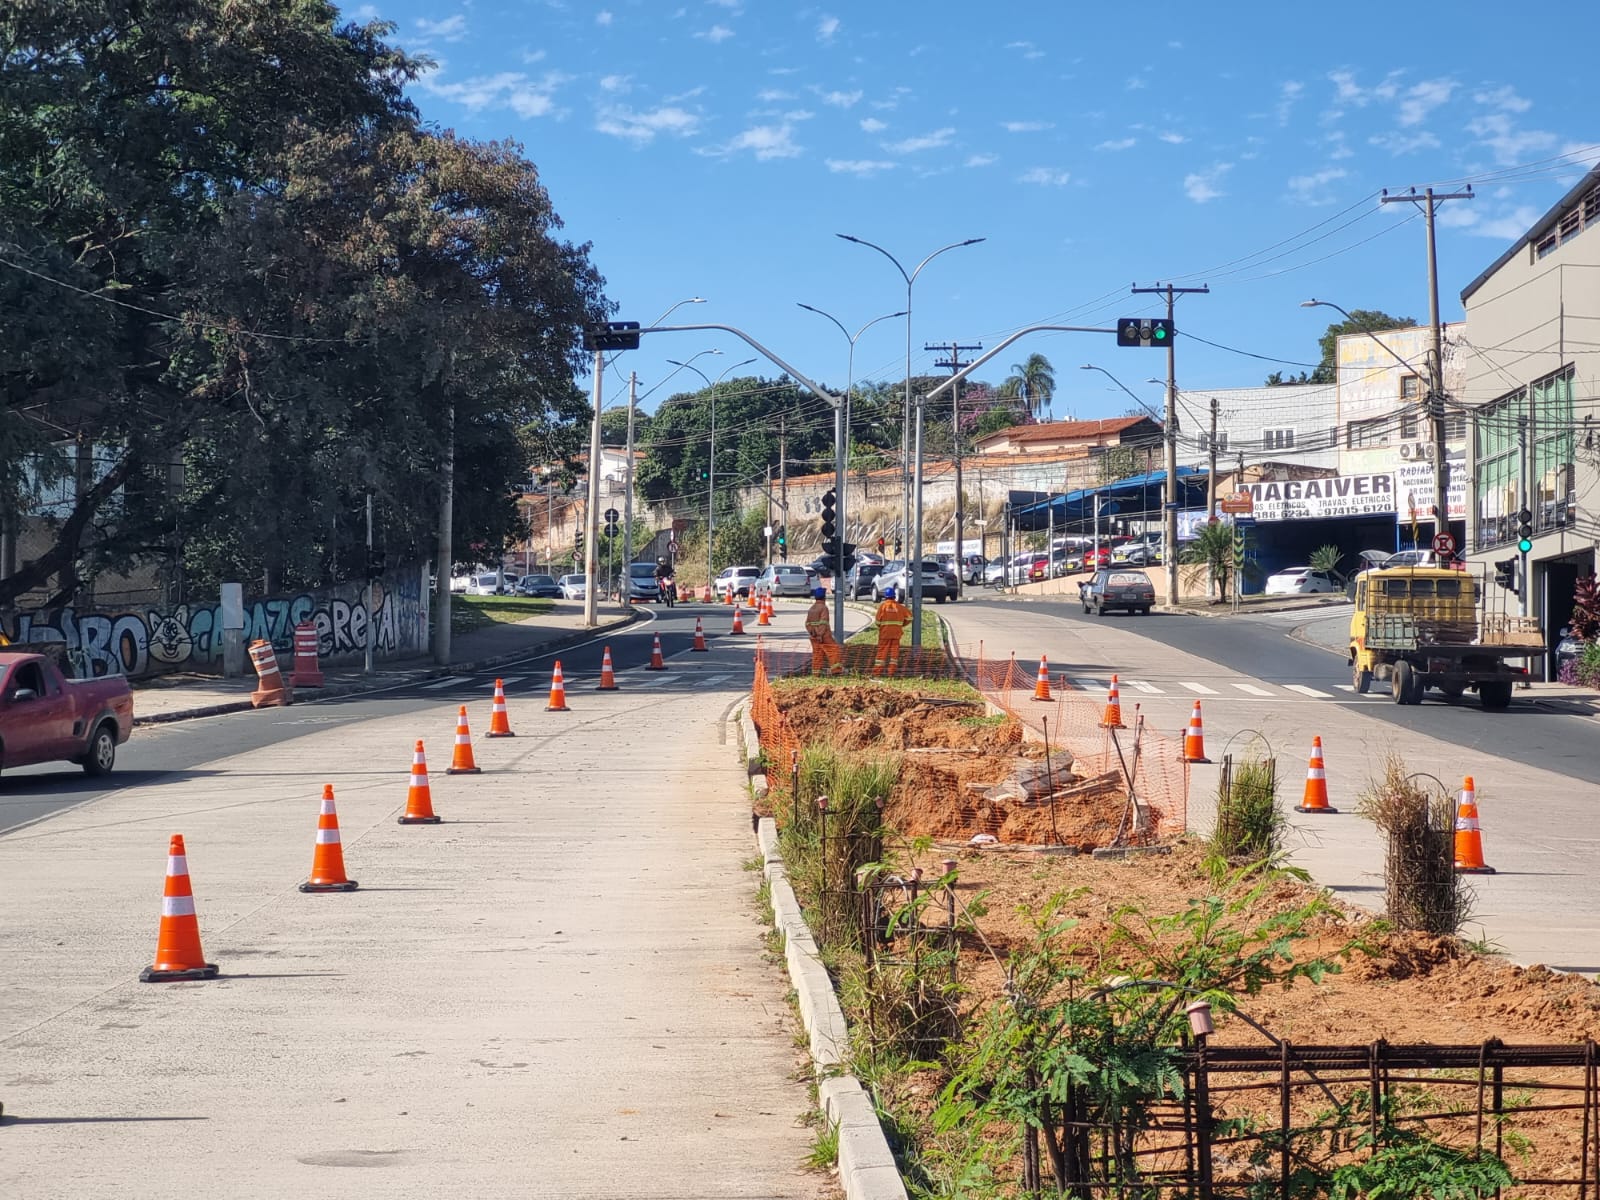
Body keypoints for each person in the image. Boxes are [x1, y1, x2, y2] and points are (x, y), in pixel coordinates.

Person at [871, 585, 911, 677]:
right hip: (896, 634)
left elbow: (877, 621)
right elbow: (910, 617)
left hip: (885, 634)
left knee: (881, 654)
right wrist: (902, 624)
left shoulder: (883, 606)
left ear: (885, 597)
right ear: (894, 596)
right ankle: (891, 672)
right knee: (894, 654)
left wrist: (882, 626)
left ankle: (877, 672)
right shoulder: (899, 607)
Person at [804, 586, 843, 676]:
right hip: (824, 636)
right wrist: (820, 635)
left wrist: (812, 632)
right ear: (824, 597)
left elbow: (807, 623)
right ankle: (836, 670)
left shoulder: (812, 609)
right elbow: (823, 623)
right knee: (833, 650)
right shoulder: (823, 608)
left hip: (813, 637)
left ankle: (816, 673)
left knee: (817, 654)